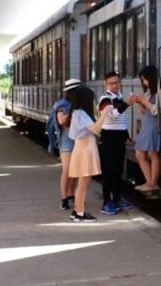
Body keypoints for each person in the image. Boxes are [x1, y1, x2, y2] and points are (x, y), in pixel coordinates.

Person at [67, 85, 113, 223]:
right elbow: (96, 129)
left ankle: (77, 210)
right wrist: (105, 113)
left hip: (84, 147)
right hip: (85, 148)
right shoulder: (80, 113)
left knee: (83, 181)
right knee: (84, 182)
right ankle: (79, 213)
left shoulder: (78, 113)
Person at [98, 71, 134, 215]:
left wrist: (127, 136)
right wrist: (127, 104)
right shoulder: (105, 99)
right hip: (108, 138)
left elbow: (121, 122)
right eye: (112, 83)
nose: (115, 85)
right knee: (110, 172)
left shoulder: (119, 97)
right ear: (106, 85)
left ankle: (117, 199)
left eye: (117, 82)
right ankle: (106, 202)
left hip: (119, 138)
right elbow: (112, 115)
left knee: (119, 171)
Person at [129, 65, 161, 193]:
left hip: (153, 125)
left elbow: (156, 110)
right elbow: (145, 111)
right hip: (146, 124)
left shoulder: (160, 92)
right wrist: (140, 103)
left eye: (145, 79)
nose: (144, 82)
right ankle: (149, 181)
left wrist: (143, 100)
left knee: (152, 153)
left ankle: (153, 182)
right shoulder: (148, 92)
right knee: (140, 153)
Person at [51, 79, 81, 210]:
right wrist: (73, 110)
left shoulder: (83, 104)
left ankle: (70, 194)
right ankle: (64, 198)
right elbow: (62, 121)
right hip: (67, 140)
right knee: (67, 169)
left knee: (75, 170)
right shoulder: (62, 105)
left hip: (79, 139)